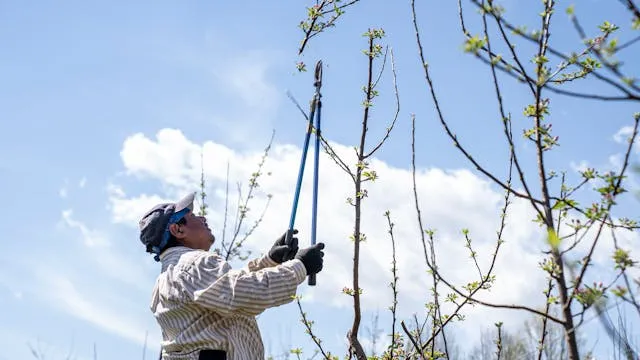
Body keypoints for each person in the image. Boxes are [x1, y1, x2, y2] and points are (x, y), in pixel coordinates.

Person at [138, 192, 325, 360]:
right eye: (192, 216)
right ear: (178, 230)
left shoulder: (166, 280)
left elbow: (223, 292)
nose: (202, 218)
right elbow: (243, 294)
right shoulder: (193, 263)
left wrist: (270, 260)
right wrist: (300, 266)